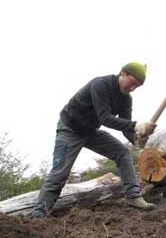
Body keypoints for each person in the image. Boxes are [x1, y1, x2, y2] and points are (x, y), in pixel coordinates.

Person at [31, 62, 157, 219]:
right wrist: (137, 125)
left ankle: (133, 196)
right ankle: (37, 216)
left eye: (137, 86)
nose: (132, 88)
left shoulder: (126, 99)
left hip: (90, 131)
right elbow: (104, 118)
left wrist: (135, 138)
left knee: (122, 153)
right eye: (132, 83)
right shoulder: (101, 84)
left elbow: (125, 126)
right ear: (122, 73)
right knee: (59, 174)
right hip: (69, 129)